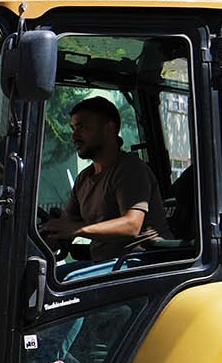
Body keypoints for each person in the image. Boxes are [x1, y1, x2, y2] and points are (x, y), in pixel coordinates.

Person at [42, 96, 169, 263]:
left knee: (66, 281)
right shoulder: (84, 178)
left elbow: (132, 226)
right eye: (73, 128)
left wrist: (78, 229)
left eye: (82, 127)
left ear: (109, 129)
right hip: (105, 264)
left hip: (140, 262)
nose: (74, 136)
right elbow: (67, 225)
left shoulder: (130, 169)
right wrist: (46, 234)